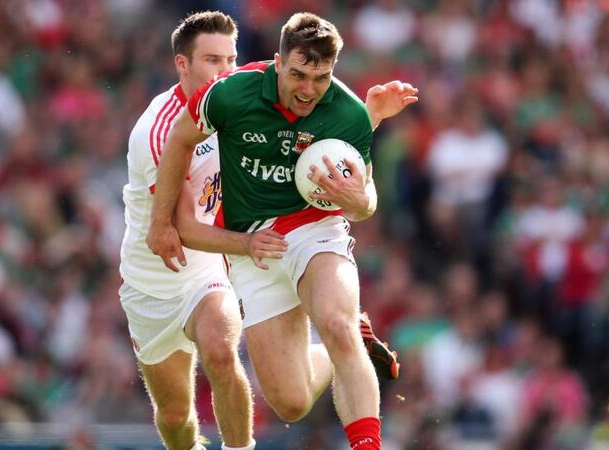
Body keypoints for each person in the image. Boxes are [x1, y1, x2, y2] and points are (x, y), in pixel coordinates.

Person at [147, 12, 418, 450]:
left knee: (335, 322)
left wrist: (356, 200)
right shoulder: (231, 96)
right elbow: (180, 139)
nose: (308, 89)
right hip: (255, 251)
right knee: (291, 403)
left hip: (316, 229)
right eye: (298, 74)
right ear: (277, 62)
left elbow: (366, 202)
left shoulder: (348, 113)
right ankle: (338, 347)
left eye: (321, 77)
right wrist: (160, 223)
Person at [121, 12, 277, 450]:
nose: (224, 72)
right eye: (212, 60)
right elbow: (181, 230)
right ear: (182, 65)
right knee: (174, 419)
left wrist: (368, 113)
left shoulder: (241, 90)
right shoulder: (159, 130)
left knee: (222, 353)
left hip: (206, 270)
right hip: (151, 285)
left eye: (230, 59)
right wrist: (249, 243)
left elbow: (302, 76)